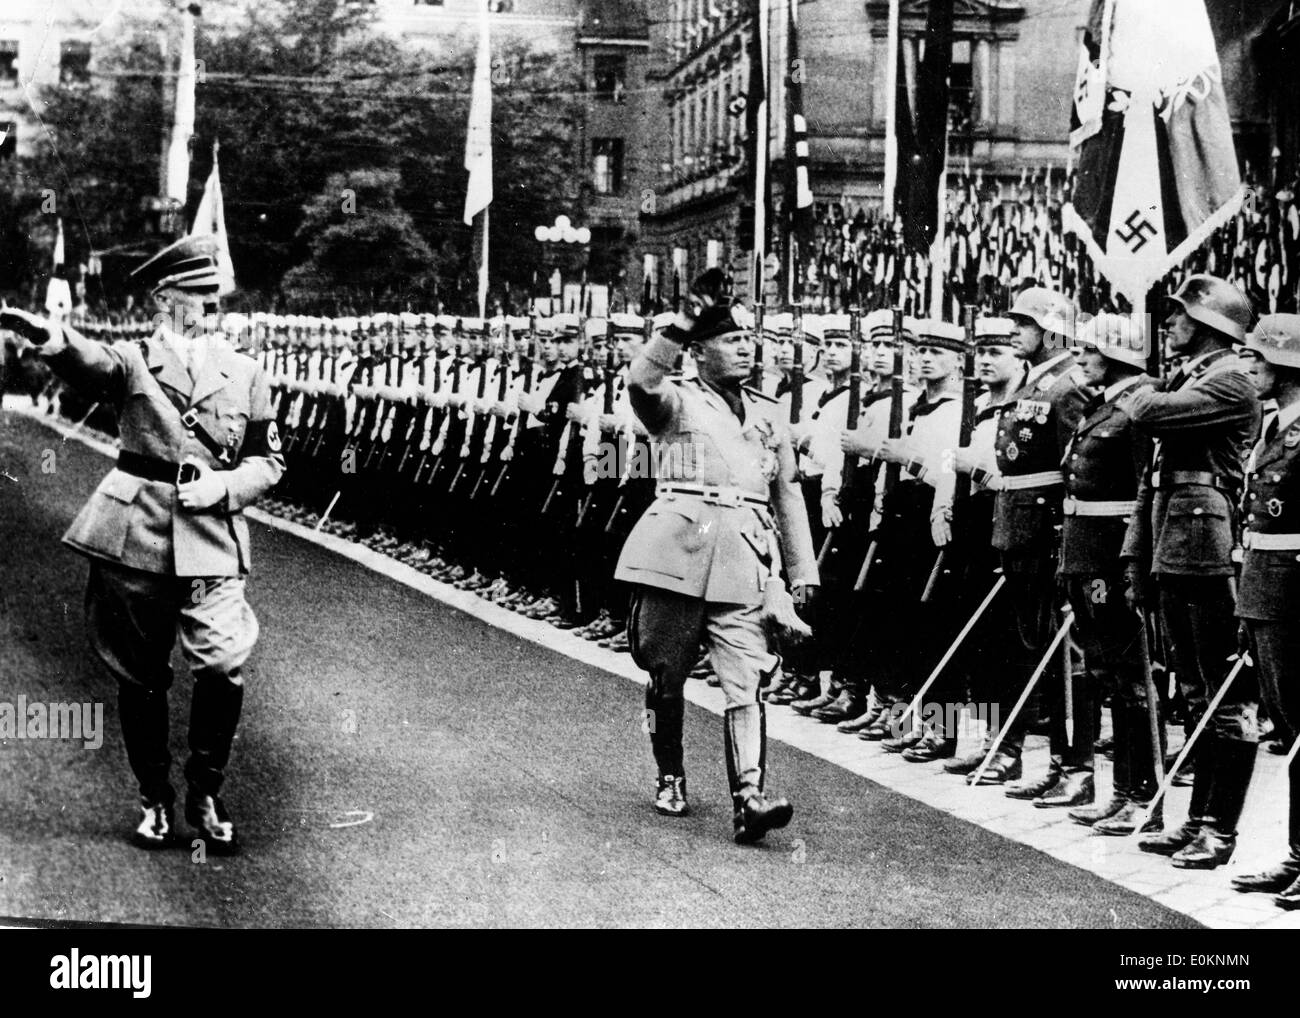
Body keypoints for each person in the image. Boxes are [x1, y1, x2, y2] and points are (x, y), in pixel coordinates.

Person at [1, 236, 285, 854]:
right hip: (139, 535)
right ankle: (154, 797)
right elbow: (90, 361)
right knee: (142, 672)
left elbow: (270, 462)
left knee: (222, 663)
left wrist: (224, 486)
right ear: (163, 299)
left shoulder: (246, 372)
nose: (206, 309)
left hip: (212, 533)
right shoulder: (134, 359)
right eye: (193, 297)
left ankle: (205, 790)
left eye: (212, 299)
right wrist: (49, 338)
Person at [616, 302, 819, 843]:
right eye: (732, 341)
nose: (747, 347)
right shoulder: (674, 399)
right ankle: (669, 773)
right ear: (698, 351)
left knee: (748, 678)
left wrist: (803, 568)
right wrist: (678, 325)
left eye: (749, 339)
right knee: (666, 674)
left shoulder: (768, 411)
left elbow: (788, 491)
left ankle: (749, 798)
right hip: (677, 549)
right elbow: (642, 378)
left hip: (745, 556)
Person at [1121, 274, 1261, 869]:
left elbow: (1146, 412)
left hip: (1205, 543)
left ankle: (1218, 831)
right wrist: (1136, 552)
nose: (1168, 325)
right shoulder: (1193, 377)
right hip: (1173, 538)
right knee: (1198, 691)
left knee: (1223, 697)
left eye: (1179, 317)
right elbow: (1153, 478)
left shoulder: (1229, 380)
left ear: (1209, 325)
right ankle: (1197, 820)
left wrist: (1135, 389)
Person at [1056, 314, 1159, 832]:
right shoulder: (1104, 407)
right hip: (1084, 556)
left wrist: (1132, 565)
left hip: (1109, 562)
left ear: (1117, 355)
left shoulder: (1138, 409)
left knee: (1128, 678)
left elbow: (1146, 494)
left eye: (1088, 351)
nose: (1078, 360)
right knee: (1104, 673)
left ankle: (1141, 796)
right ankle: (1120, 791)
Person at [1229, 314, 1300, 906]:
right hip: (1266, 587)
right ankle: (1299, 853)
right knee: (1293, 727)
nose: (1248, 367)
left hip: (1294, 591)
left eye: (1257, 358)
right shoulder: (1275, 425)